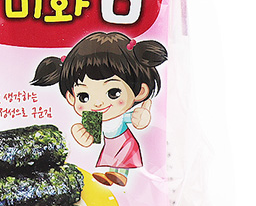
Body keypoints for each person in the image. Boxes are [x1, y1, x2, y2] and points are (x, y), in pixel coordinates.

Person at [31, 32, 167, 187]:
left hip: (125, 142)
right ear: (71, 97)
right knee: (110, 158)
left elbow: (139, 120)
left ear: (140, 91)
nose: (97, 103)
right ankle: (111, 175)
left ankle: (120, 175)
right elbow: (88, 137)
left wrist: (142, 116)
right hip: (109, 144)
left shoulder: (122, 116)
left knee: (122, 157)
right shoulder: (93, 120)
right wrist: (81, 134)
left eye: (113, 92)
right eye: (84, 96)